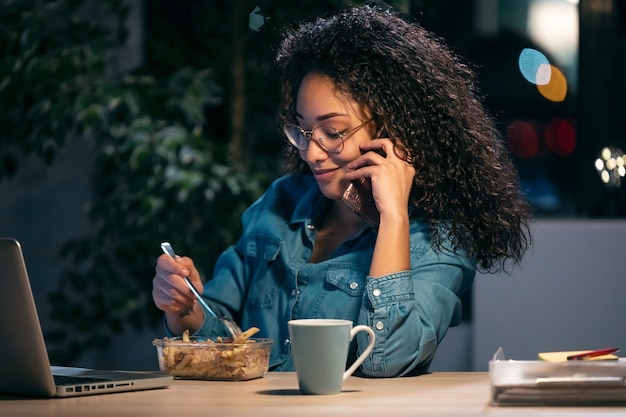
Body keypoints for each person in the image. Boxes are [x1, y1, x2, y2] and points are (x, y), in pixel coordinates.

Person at [152, 4, 531, 377]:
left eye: (333, 133)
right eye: (303, 131)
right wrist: (185, 310)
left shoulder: (438, 240)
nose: (312, 153)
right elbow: (227, 345)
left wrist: (394, 218)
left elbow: (388, 361)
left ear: (392, 130)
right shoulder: (279, 205)